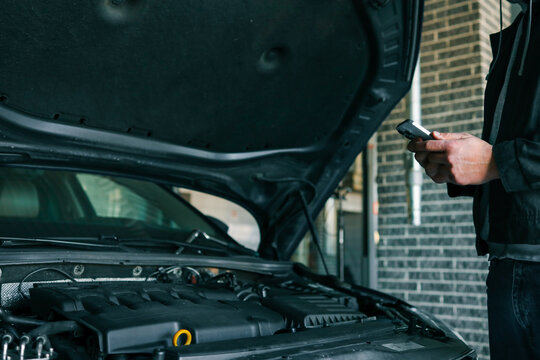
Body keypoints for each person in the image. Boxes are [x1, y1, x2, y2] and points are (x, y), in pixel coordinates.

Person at [407, 0, 539, 359]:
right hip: (505, 262)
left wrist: (496, 161)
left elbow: (504, 158)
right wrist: (462, 168)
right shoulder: (518, 33)